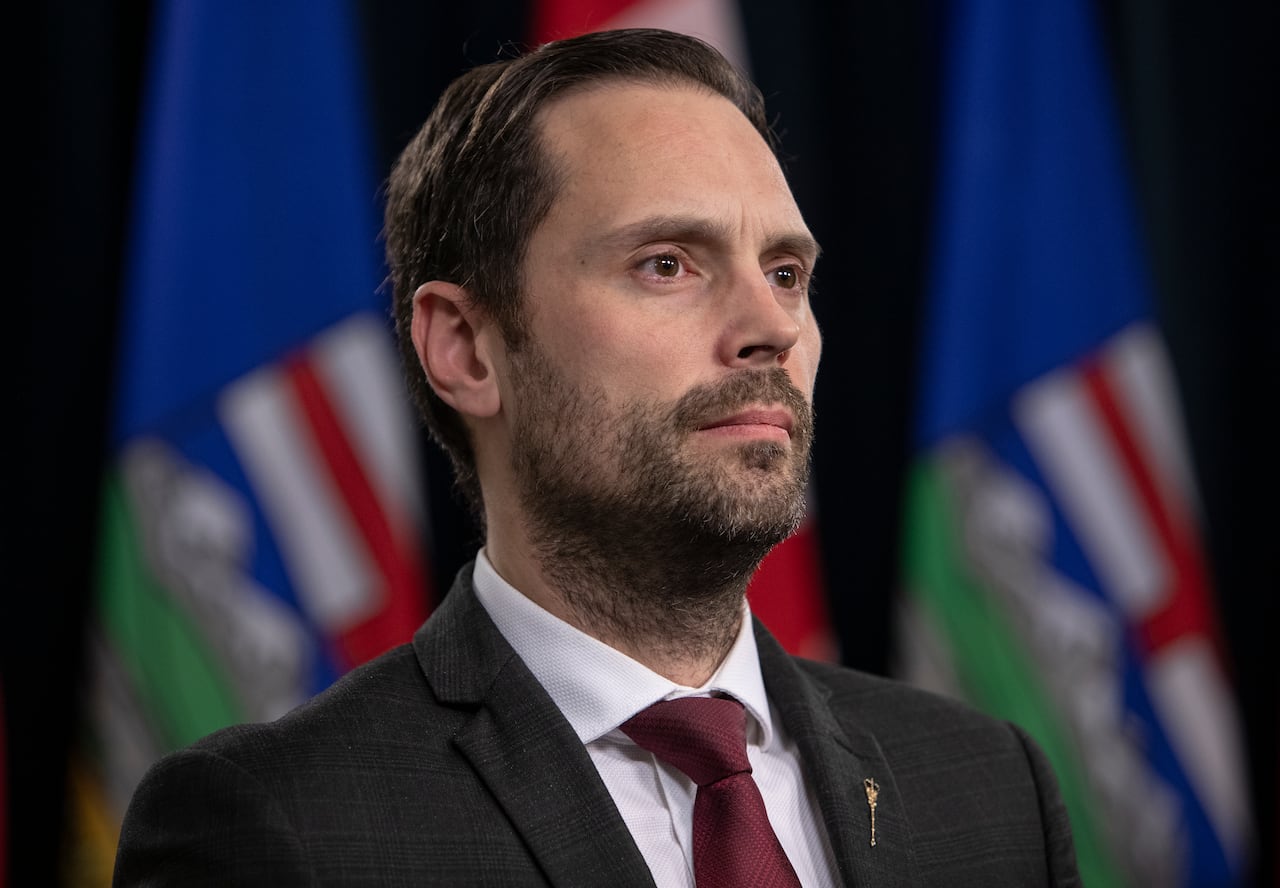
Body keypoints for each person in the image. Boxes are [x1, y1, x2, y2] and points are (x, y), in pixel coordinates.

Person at [114, 28, 1080, 887]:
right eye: (667, 263)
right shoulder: (277, 828)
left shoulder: (988, 790)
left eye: (786, 273)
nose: (769, 327)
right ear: (465, 346)